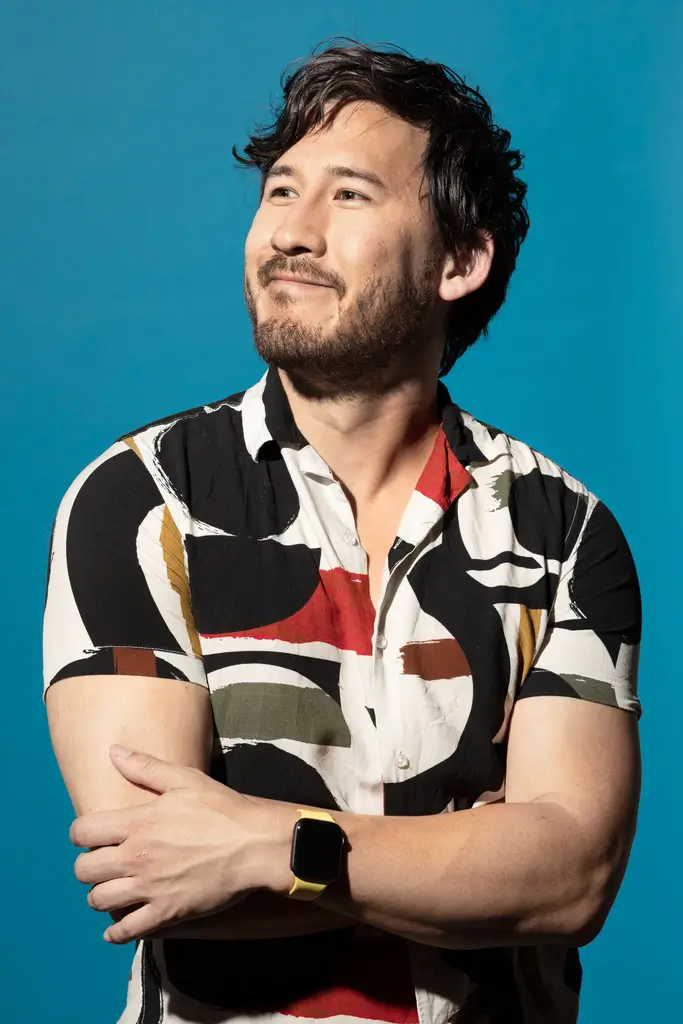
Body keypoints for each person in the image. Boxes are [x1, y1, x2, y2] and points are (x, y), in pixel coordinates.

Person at [43, 40, 642, 1024]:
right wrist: (464, 852)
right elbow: (150, 865)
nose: (292, 231)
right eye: (280, 192)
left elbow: (568, 879)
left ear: (460, 259)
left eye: (350, 195)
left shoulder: (562, 532)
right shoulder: (142, 498)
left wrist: (263, 841)